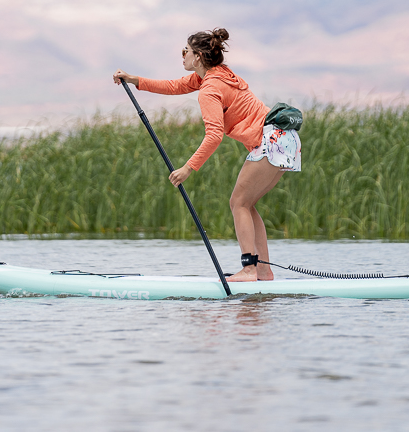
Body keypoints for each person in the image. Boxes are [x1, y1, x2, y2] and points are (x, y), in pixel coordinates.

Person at [112, 28, 301, 282]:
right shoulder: (217, 75)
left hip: (270, 140)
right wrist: (133, 80)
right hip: (284, 138)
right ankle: (263, 271)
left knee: (238, 203)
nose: (183, 57)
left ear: (198, 57)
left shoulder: (209, 89)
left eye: (185, 52)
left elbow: (214, 135)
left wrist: (187, 168)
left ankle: (249, 269)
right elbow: (174, 86)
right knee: (246, 203)